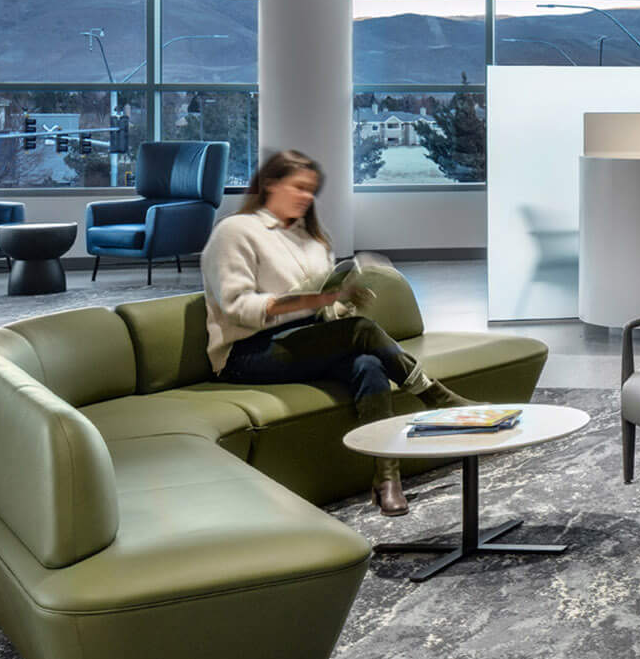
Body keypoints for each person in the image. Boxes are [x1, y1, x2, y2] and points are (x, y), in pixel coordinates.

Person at [201, 149, 470, 517]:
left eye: (311, 191)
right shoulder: (235, 232)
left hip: (308, 340)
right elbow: (237, 307)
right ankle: (439, 400)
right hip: (247, 351)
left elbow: (322, 307)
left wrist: (340, 300)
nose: (306, 197)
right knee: (361, 332)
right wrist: (305, 300)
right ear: (270, 184)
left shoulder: (312, 240)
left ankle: (387, 478)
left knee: (368, 365)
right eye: (298, 187)